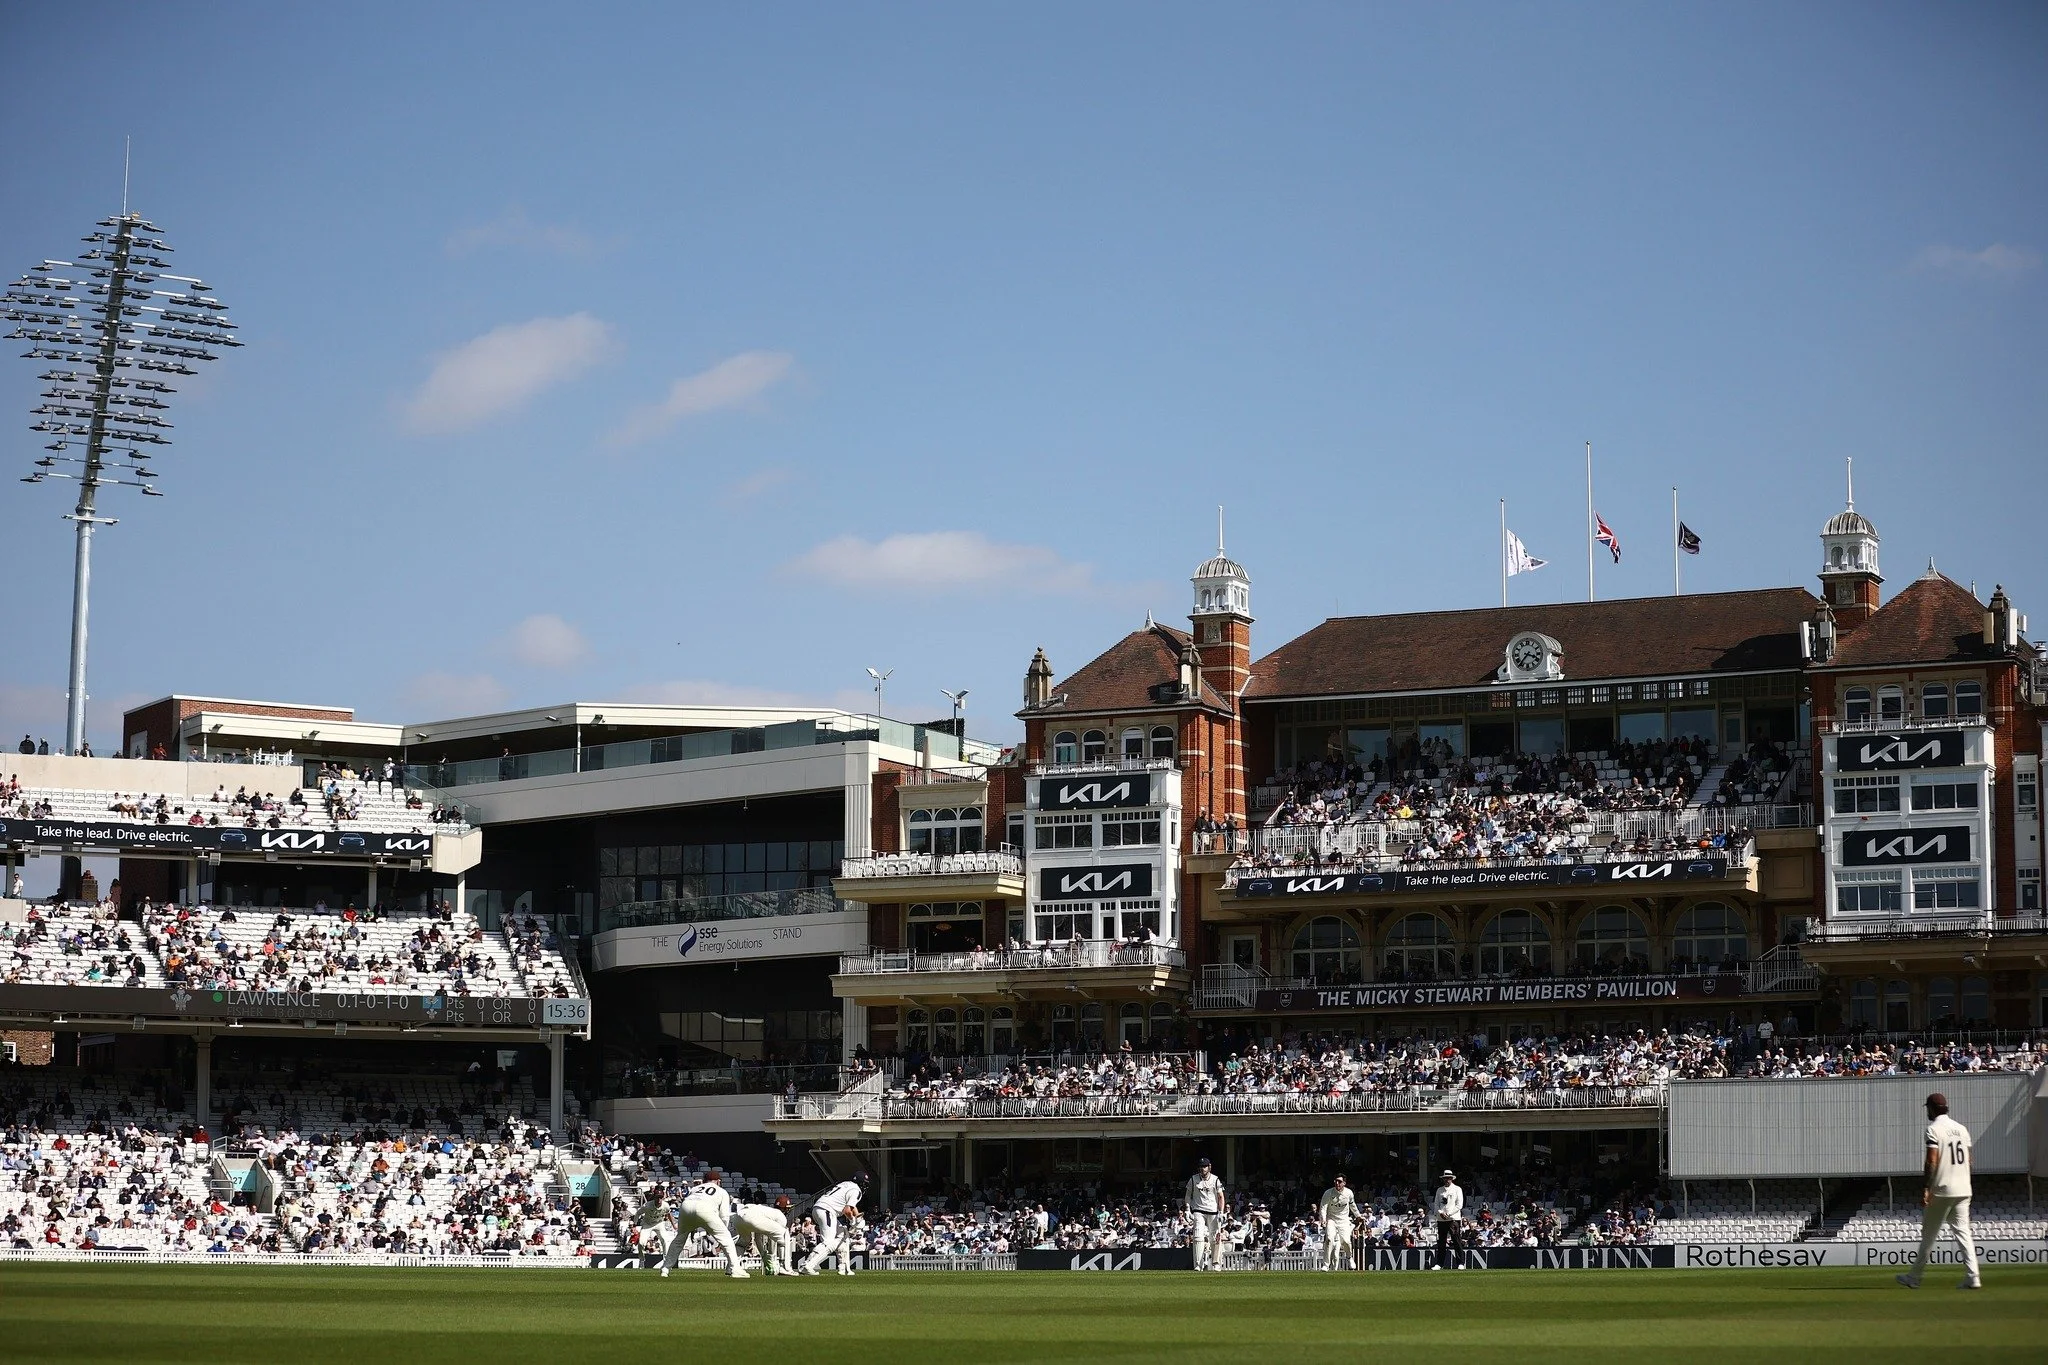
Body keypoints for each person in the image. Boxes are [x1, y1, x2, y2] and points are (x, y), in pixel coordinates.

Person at [1897, 1092, 1980, 1291]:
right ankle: (1973, 1277)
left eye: (1928, 1108)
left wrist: (1927, 1187)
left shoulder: (1933, 1129)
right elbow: (1969, 1160)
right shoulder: (1962, 1129)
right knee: (1964, 1234)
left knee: (1929, 1235)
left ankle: (1914, 1277)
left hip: (1942, 1189)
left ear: (1932, 1109)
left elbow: (1931, 1160)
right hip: (1963, 1188)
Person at [658, 1169, 749, 1278]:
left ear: (705, 1181)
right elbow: (724, 1216)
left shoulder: (695, 1188)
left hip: (686, 1206)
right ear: (718, 1181)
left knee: (679, 1239)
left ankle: (665, 1268)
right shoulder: (722, 1191)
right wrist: (721, 1232)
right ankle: (735, 1269)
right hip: (705, 1209)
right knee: (726, 1239)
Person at [800, 1171, 868, 1275]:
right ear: (862, 1183)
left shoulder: (846, 1184)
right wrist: (853, 1221)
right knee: (828, 1242)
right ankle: (808, 1265)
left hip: (820, 1208)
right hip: (827, 1210)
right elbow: (847, 1211)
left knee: (842, 1235)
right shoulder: (856, 1190)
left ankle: (844, 1268)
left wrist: (857, 1217)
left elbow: (852, 1206)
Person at [732, 1196, 794, 1276]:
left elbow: (758, 1238)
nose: (788, 1210)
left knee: (743, 1242)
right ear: (783, 1208)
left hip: (738, 1216)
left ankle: (732, 1267)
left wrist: (764, 1256)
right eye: (787, 1208)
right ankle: (785, 1267)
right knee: (784, 1235)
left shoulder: (766, 1212)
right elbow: (773, 1239)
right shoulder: (780, 1216)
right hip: (751, 1217)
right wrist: (770, 1258)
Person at [1185, 1156, 1226, 1271]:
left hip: (1213, 1211)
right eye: (1201, 1166)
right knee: (1198, 1236)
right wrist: (1187, 1209)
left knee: (1215, 1237)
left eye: (1205, 1166)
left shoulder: (1215, 1179)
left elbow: (1221, 1196)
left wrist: (1221, 1212)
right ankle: (1198, 1264)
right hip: (1198, 1210)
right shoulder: (1193, 1179)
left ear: (1209, 1167)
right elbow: (1188, 1195)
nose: (1202, 1169)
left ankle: (1216, 1263)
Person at [1317, 1174, 1357, 1271]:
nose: (1337, 1183)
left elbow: (1353, 1206)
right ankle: (1326, 1265)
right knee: (1329, 1239)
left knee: (1346, 1241)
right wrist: (1323, 1219)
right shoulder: (1328, 1193)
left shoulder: (1349, 1193)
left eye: (1339, 1181)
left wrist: (1358, 1216)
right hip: (1331, 1219)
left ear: (1344, 1183)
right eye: (1336, 1181)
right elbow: (1323, 1207)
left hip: (1344, 1220)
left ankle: (1349, 1258)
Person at [1431, 1169, 1465, 1270]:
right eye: (1445, 1178)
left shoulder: (1457, 1189)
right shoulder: (1439, 1190)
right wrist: (1441, 1213)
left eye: (1449, 1178)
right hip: (1441, 1219)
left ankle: (1460, 1263)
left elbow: (1459, 1205)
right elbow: (1436, 1204)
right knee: (1441, 1241)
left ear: (1452, 1179)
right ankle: (1440, 1264)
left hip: (1453, 1218)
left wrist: (1449, 1214)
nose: (1447, 1180)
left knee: (1456, 1240)